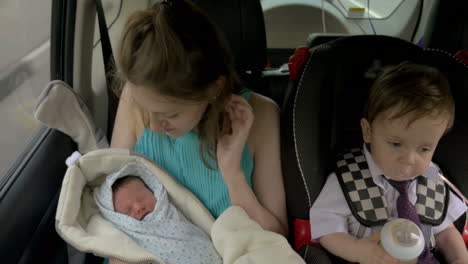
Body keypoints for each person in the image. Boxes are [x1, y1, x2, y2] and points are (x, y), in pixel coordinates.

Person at [110, 1, 287, 261]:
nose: (155, 126)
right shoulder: (135, 96)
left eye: (170, 114)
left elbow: (277, 241)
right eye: (149, 111)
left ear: (214, 89)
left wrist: (232, 173)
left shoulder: (262, 117)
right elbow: (111, 213)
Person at [309, 62, 468, 264]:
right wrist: (357, 250)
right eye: (396, 143)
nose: (410, 159)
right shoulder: (349, 179)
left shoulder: (432, 180)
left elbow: (445, 232)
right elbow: (326, 229)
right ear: (368, 132)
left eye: (424, 149)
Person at [94, 168, 222, 264]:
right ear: (119, 219)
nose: (138, 207)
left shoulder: (169, 210)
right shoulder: (126, 239)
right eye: (127, 210)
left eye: (142, 198)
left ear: (154, 191)